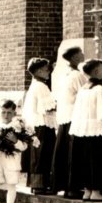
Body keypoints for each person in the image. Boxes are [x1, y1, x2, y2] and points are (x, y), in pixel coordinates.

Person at [68, 59, 102, 201]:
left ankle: (88, 190)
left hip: (83, 130)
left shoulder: (83, 89)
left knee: (86, 160)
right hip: (98, 130)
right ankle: (97, 191)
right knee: (98, 161)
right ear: (96, 71)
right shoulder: (100, 90)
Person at [50, 46, 88, 198]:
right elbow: (84, 95)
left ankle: (66, 185)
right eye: (80, 54)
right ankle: (73, 187)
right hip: (74, 117)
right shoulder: (77, 76)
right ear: (74, 58)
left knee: (66, 153)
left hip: (65, 118)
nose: (83, 56)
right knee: (74, 154)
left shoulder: (64, 74)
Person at [23, 57, 57, 194]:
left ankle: (37, 184)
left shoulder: (34, 85)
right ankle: (40, 185)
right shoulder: (41, 86)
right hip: (42, 124)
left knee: (38, 155)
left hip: (36, 124)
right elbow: (48, 107)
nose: (48, 72)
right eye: (45, 69)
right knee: (42, 154)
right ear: (37, 71)